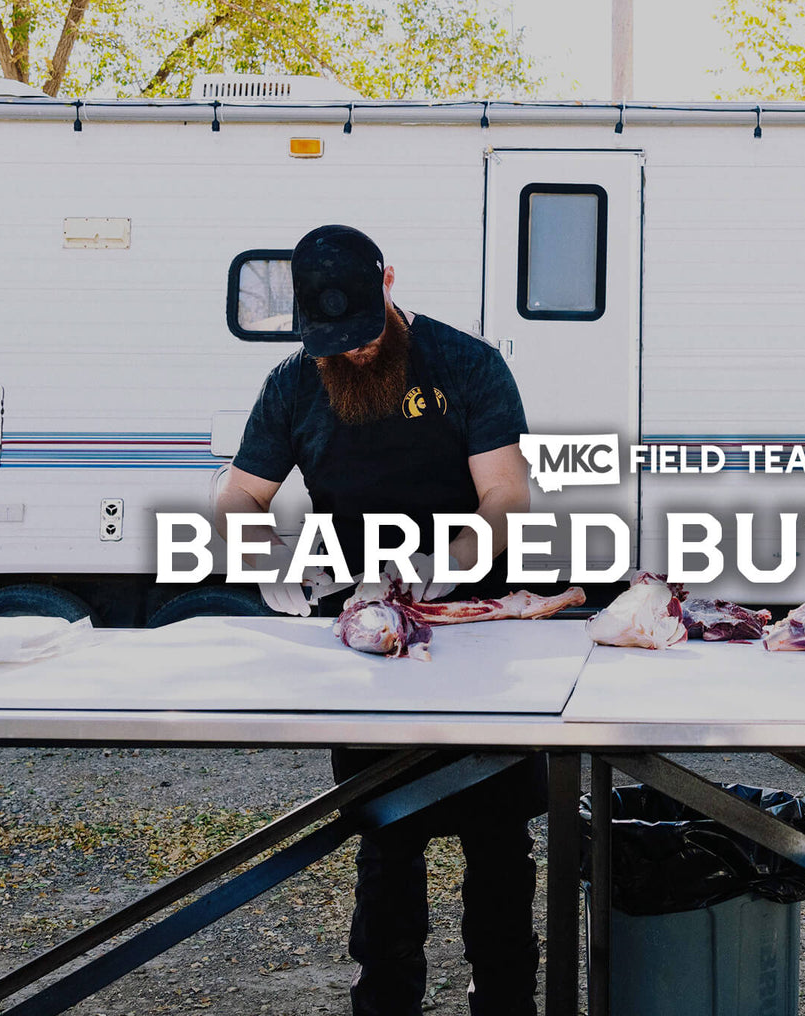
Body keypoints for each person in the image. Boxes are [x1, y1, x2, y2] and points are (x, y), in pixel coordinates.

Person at [213, 224, 543, 1016]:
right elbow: (238, 496)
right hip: (371, 644)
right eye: (334, 341)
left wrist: (450, 558)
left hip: (476, 632)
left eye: (362, 335)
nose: (354, 353)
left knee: (498, 844)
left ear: (389, 282)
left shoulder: (467, 364)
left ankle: (505, 1000)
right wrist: (269, 556)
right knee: (387, 839)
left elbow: (507, 494)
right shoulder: (295, 382)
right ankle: (387, 1000)